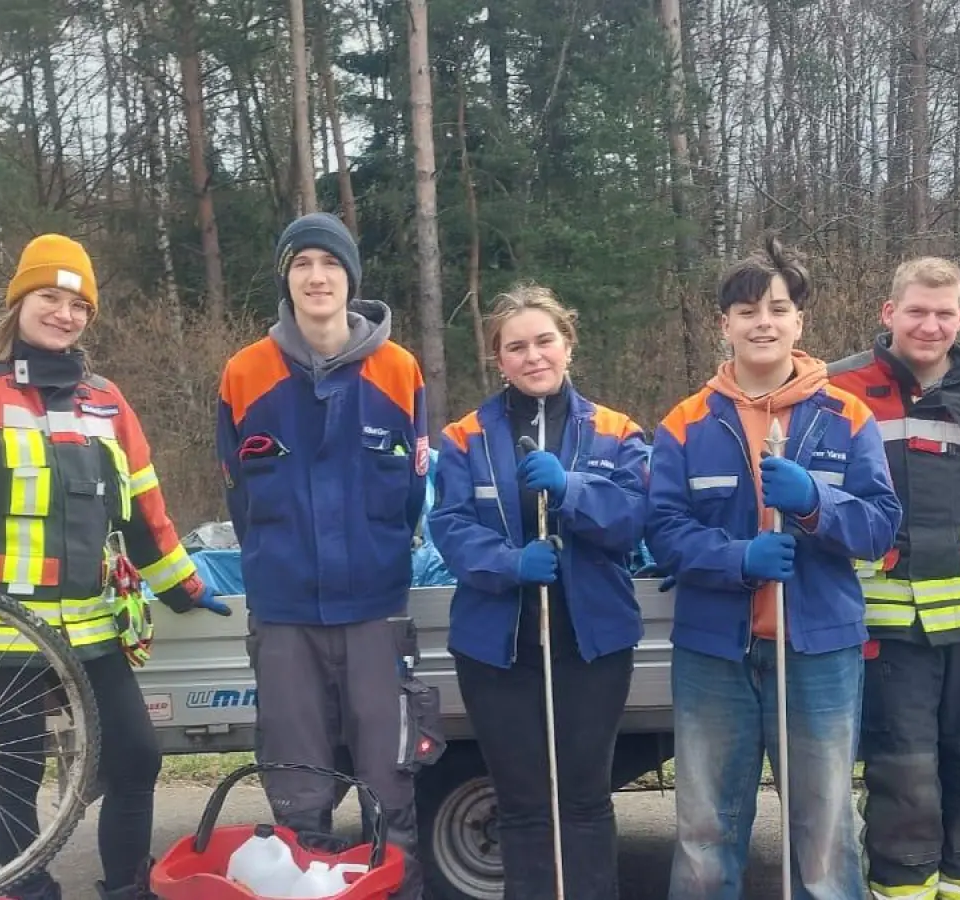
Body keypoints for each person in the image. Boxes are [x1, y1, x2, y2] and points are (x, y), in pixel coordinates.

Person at [0, 234, 231, 900]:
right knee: (16, 770)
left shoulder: (107, 401)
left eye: (79, 305)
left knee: (136, 756)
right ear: (18, 302)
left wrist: (184, 584)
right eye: (50, 297)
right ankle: (27, 890)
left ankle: (128, 889)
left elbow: (144, 510)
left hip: (89, 626)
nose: (64, 314)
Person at [646, 235, 903, 900]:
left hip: (817, 652)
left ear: (799, 322)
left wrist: (817, 504)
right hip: (715, 656)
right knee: (705, 832)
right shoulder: (685, 422)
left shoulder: (846, 416)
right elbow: (663, 533)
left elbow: (879, 525)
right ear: (723, 324)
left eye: (779, 308)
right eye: (747, 310)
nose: (764, 321)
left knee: (824, 835)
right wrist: (738, 559)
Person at [217, 212, 428, 899]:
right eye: (302, 263)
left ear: (350, 278)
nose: (317, 276)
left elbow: (413, 493)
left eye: (330, 264)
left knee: (388, 784)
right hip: (284, 620)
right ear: (286, 278)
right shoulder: (245, 373)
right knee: (296, 789)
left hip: (374, 612)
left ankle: (395, 889)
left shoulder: (400, 371)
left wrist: (377, 557)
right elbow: (238, 498)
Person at [826, 257, 960, 900]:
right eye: (917, 310)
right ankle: (901, 888)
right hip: (887, 620)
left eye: (945, 312)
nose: (931, 324)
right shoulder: (840, 387)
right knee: (903, 770)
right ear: (889, 313)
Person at [427, 284, 649, 899]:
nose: (533, 356)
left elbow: (634, 519)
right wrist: (508, 562)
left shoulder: (616, 431)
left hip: (592, 646)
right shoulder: (463, 438)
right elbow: (448, 526)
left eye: (544, 341)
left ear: (568, 344)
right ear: (499, 358)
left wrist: (573, 489)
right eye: (516, 346)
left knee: (583, 798)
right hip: (499, 651)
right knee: (522, 803)